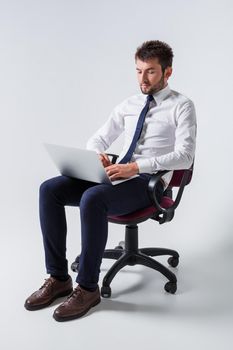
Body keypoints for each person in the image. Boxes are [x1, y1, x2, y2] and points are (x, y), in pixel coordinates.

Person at [24, 40, 197, 321]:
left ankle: (88, 288)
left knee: (92, 198)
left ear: (168, 73)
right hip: (116, 174)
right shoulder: (129, 104)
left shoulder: (182, 106)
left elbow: (185, 156)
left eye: (150, 72)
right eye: (138, 70)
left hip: (148, 183)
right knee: (50, 190)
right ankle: (58, 278)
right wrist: (99, 155)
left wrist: (136, 167)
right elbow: (99, 137)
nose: (142, 78)